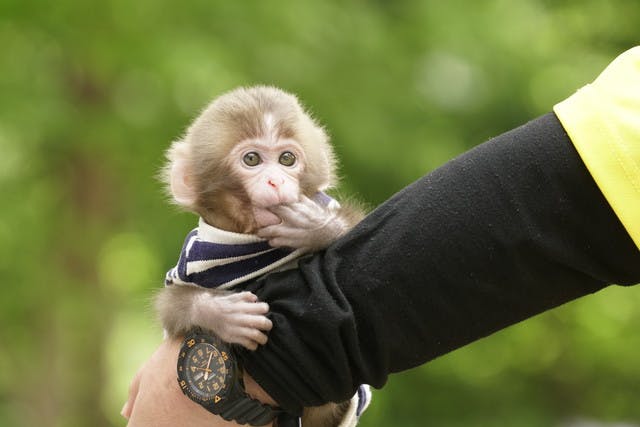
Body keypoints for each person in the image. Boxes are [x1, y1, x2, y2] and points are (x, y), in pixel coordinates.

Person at [122, 46, 640, 425]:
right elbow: (179, 299)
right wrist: (208, 319)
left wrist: (234, 378)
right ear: (190, 182)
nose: (276, 181)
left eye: (287, 160)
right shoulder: (206, 252)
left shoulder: (314, 208)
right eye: (251, 161)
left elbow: (355, 242)